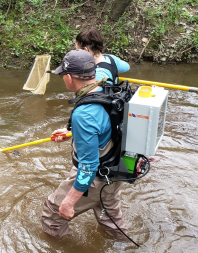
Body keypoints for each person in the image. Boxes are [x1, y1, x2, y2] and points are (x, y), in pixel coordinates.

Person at [40, 49, 131, 242]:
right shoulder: (107, 89)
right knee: (111, 221)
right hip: (115, 171)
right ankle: (125, 245)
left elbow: (88, 166)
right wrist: (73, 133)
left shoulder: (84, 115)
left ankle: (64, 247)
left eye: (63, 75)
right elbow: (105, 126)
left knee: (51, 214)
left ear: (71, 77)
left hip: (96, 177)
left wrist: (68, 203)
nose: (63, 79)